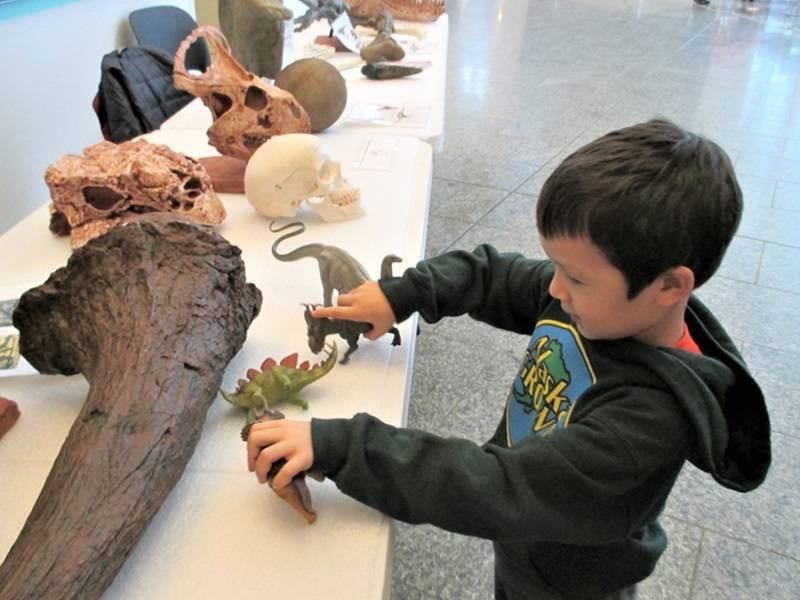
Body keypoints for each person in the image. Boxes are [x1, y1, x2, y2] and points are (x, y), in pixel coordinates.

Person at [247, 119, 771, 599]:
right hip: (528, 541)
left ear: (670, 285)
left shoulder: (646, 426)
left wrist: (342, 445)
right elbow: (492, 275)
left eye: (577, 277)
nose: (556, 287)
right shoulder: (600, 303)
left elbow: (496, 485)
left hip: (567, 584)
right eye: (556, 265)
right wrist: (401, 295)